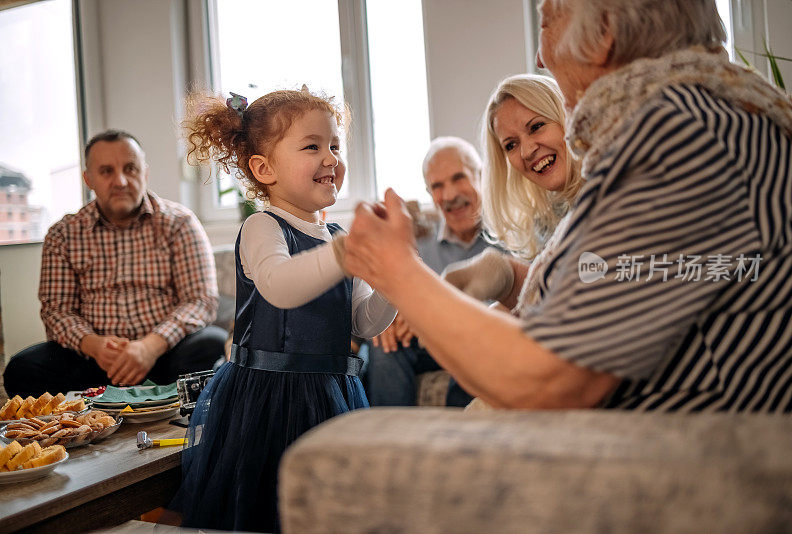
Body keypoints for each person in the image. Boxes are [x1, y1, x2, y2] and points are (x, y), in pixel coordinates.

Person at [341, 0, 792, 413]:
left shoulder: (675, 136)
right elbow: (621, 277)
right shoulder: (702, 116)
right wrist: (504, 274)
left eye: (547, 19)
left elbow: (548, 379)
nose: (541, 57)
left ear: (602, 34)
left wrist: (399, 272)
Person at [172, 88, 396, 532]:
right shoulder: (262, 226)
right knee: (272, 510)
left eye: (334, 145)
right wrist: (346, 254)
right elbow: (279, 287)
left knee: (329, 509)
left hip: (332, 394)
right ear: (264, 168)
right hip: (267, 399)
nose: (330, 157)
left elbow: (364, 321)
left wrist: (394, 280)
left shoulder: (336, 236)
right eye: (312, 146)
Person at [3, 130, 227, 397]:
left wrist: (148, 348)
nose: (120, 181)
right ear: (89, 179)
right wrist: (95, 346)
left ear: (144, 172)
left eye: (130, 168)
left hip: (164, 354)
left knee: (212, 343)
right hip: (93, 361)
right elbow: (56, 310)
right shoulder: (63, 234)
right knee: (22, 368)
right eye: (107, 171)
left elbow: (200, 301)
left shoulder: (180, 223)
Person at [366, 137, 499, 407]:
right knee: (383, 344)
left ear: (481, 176)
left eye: (458, 178)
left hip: (477, 340)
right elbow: (390, 288)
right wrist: (391, 316)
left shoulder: (509, 233)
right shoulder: (418, 236)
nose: (449, 195)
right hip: (426, 344)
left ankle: (457, 441)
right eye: (437, 186)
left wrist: (428, 315)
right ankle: (390, 445)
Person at [443, 74, 584, 317]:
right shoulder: (545, 221)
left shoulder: (611, 196)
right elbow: (549, 291)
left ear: (566, 116)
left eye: (537, 126)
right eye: (511, 145)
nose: (527, 151)